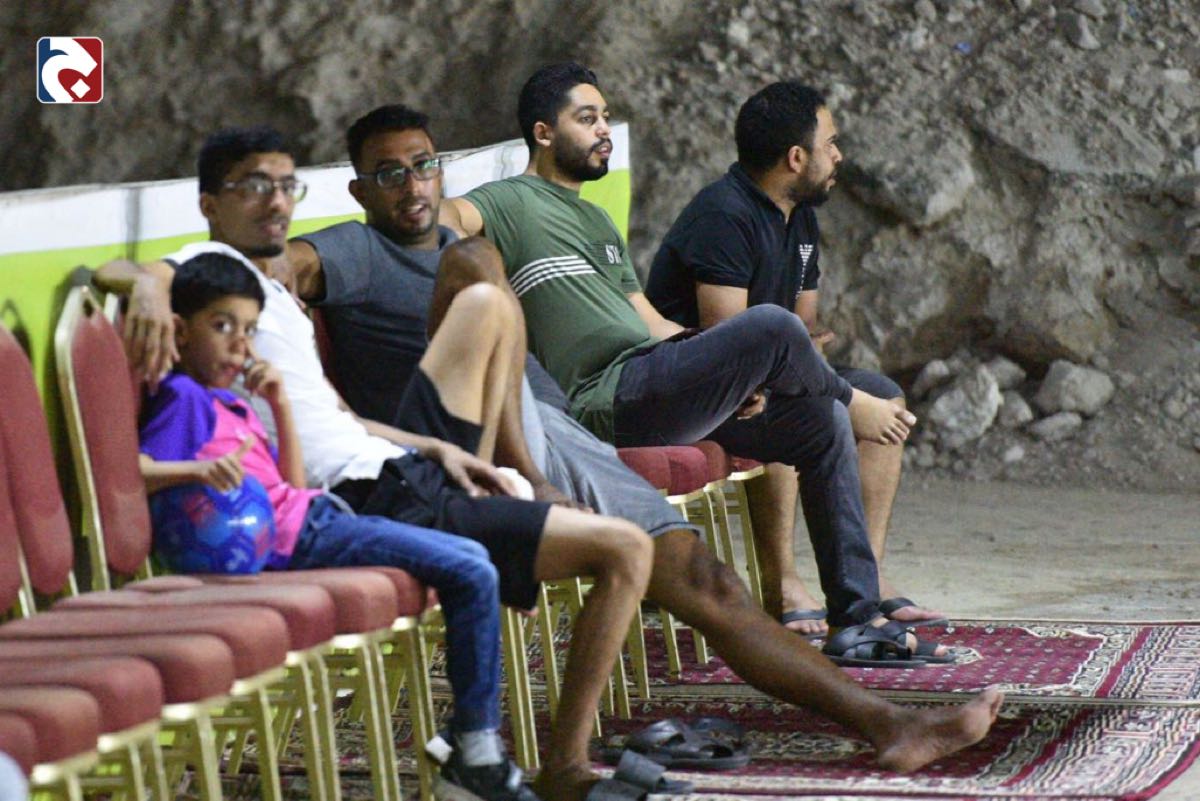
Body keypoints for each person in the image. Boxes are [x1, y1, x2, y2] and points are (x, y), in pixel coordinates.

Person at [434, 60, 1002, 772]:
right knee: (775, 331)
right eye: (588, 118)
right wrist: (434, 218)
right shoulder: (510, 200)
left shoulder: (594, 219)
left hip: (655, 372)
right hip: (610, 398)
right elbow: (448, 222)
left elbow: (648, 322)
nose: (605, 129)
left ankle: (857, 618)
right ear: (544, 133)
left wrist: (729, 371)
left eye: (606, 116)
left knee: (813, 420)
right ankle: (845, 398)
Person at [95, 126, 658, 801]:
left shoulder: (269, 296)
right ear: (210, 205)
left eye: (285, 186)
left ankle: (507, 493)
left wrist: (433, 446)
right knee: (625, 548)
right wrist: (149, 288)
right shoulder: (207, 271)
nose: (275, 201)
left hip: (396, 465)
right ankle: (558, 765)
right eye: (254, 187)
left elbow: (336, 418)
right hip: (364, 494)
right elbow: (120, 272)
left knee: (487, 298)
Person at [139, 251, 535, 800]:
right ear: (180, 332)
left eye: (249, 331)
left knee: (471, 560)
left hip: (312, 517)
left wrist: (278, 405)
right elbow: (132, 473)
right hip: (300, 537)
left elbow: (294, 486)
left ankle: (472, 744)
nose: (240, 346)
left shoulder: (231, 402)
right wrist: (195, 471)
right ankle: (476, 751)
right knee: (471, 568)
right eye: (222, 327)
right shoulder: (183, 398)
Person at [284, 103, 698, 559]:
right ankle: (530, 483)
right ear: (361, 192)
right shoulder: (360, 248)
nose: (412, 185)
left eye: (423, 166)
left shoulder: (458, 243)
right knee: (476, 258)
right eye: (389, 174)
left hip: (554, 424)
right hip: (455, 448)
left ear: (439, 172)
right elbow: (283, 263)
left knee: (692, 567)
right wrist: (271, 288)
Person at [645, 81, 944, 637]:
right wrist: (809, 375)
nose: (839, 156)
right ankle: (781, 581)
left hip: (770, 376)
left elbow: (803, 325)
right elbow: (724, 343)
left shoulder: (800, 215)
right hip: (706, 397)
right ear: (796, 157)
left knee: (884, 396)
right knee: (813, 413)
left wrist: (808, 364)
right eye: (830, 143)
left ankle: (868, 577)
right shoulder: (723, 215)